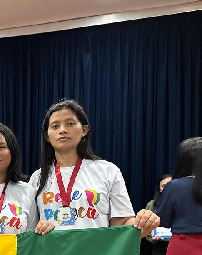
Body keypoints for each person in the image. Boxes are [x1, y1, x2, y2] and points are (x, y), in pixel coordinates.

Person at [29, 99, 159, 237]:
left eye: (70, 123)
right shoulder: (37, 178)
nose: (63, 130)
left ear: (84, 130)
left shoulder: (107, 171)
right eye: (55, 126)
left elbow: (121, 224)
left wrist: (144, 221)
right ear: (47, 136)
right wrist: (41, 228)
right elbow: (29, 230)